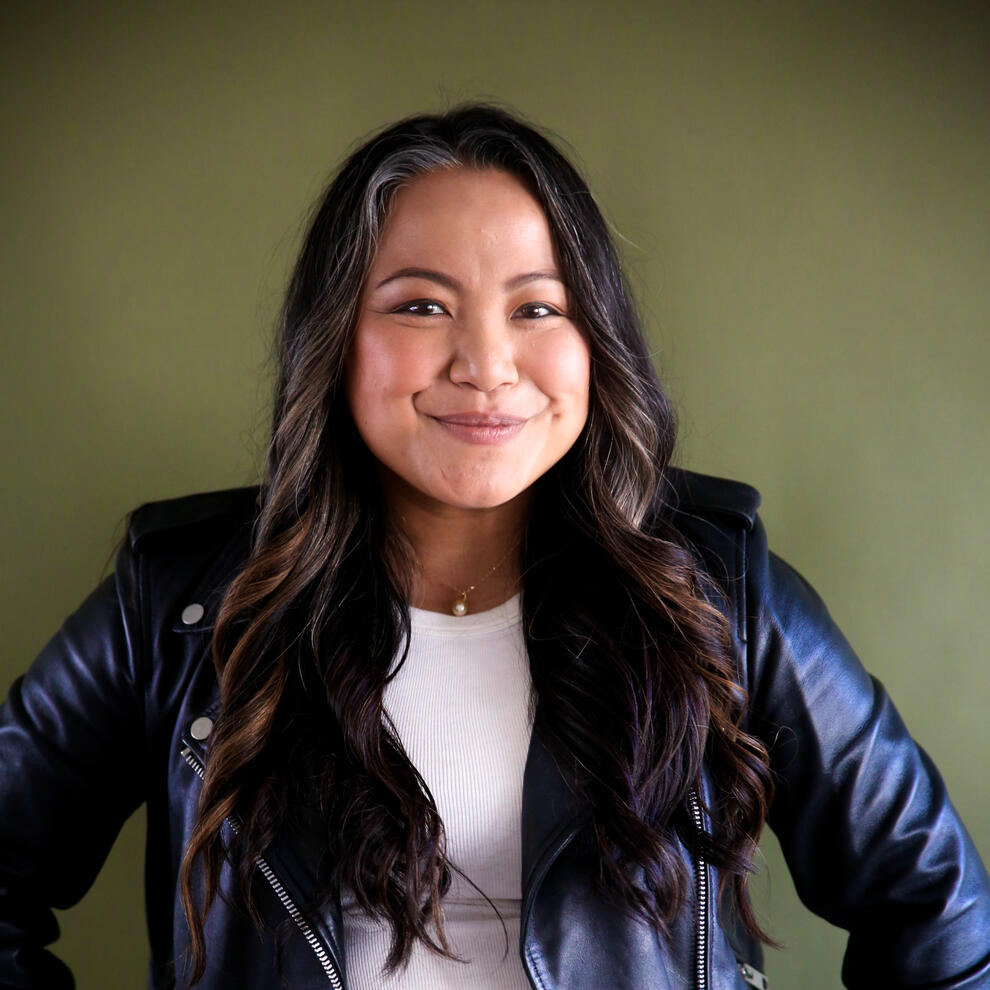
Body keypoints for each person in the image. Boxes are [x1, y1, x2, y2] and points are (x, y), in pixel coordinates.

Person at [1, 104, 988, 990]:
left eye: (537, 307)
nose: (486, 366)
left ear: (594, 339)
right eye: (421, 305)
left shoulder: (721, 591)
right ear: (337, 338)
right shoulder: (180, 603)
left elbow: (947, 929)